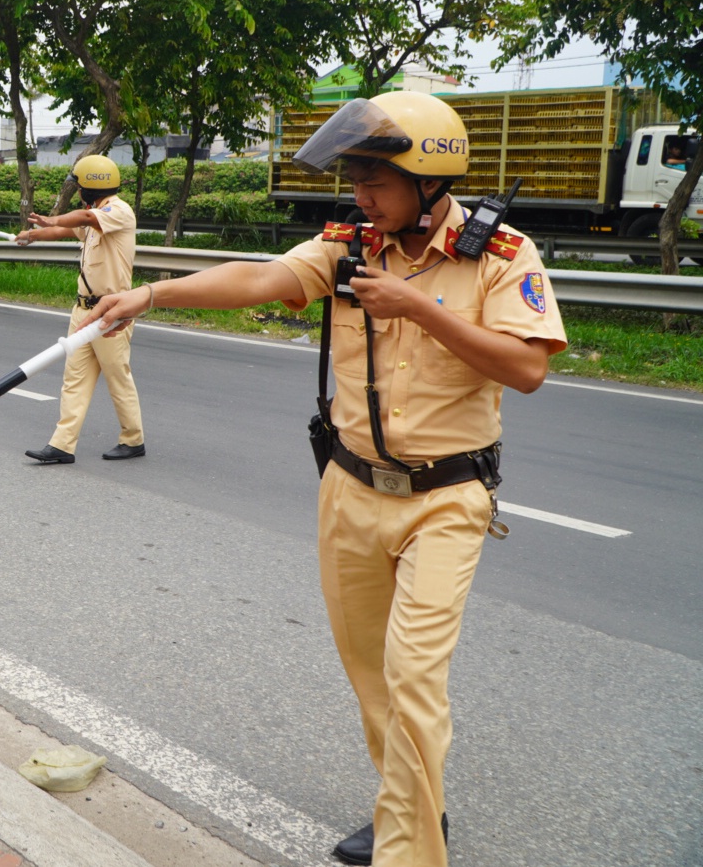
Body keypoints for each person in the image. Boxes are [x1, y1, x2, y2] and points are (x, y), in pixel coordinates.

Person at [81, 92, 566, 867]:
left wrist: (416, 306)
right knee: (373, 676)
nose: (359, 196)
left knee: (413, 676)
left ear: (428, 179)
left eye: (374, 179)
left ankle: (410, 848)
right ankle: (410, 806)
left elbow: (528, 368)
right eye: (355, 179)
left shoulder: (501, 255)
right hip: (348, 489)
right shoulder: (349, 245)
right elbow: (260, 278)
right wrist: (148, 294)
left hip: (445, 497)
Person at [17, 154, 145, 464]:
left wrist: (55, 218)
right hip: (83, 310)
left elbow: (82, 221)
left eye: (79, 186)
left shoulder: (117, 211)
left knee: (118, 376)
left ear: (91, 185)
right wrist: (34, 234)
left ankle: (133, 439)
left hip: (111, 311)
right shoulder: (93, 215)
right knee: (74, 378)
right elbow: (65, 231)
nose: (77, 191)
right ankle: (62, 445)